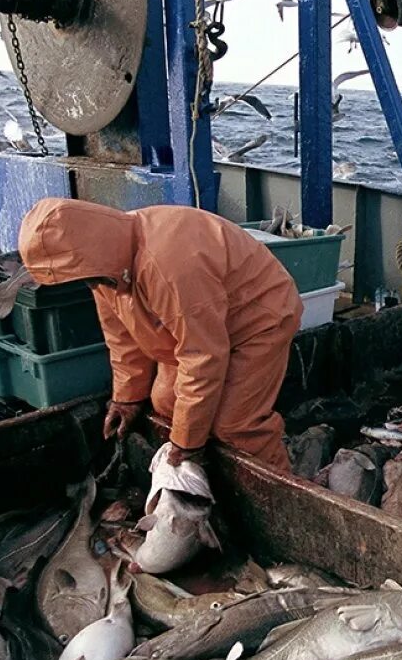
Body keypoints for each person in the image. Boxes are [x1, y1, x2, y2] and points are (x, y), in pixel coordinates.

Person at [17, 198, 303, 471]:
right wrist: (127, 398)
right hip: (198, 328)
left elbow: (202, 356)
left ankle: (284, 494)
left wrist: (187, 443)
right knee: (167, 404)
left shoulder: (169, 265)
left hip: (258, 320)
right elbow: (122, 337)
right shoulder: (102, 269)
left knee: (234, 427)